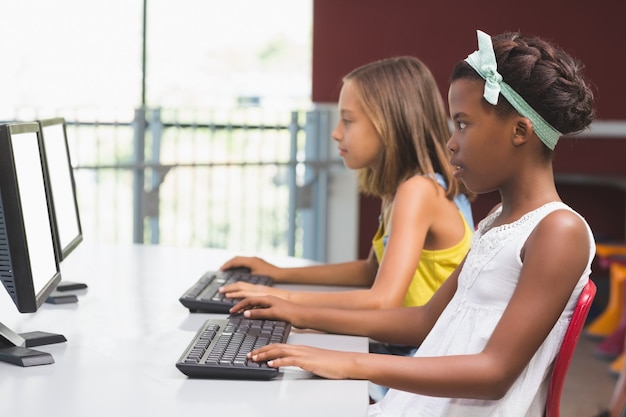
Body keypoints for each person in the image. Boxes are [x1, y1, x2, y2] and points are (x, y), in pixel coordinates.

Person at [229, 29, 596, 416]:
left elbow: (495, 372)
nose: (452, 142)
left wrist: (349, 363)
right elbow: (423, 321)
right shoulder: (498, 222)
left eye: (463, 124)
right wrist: (295, 315)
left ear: (520, 131)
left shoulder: (559, 231)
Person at [219, 56, 474, 312]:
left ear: (389, 124)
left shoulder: (419, 191)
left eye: (348, 120)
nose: (336, 132)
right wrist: (276, 273)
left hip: (417, 351)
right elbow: (370, 271)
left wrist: (280, 297)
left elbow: (382, 301)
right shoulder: (403, 188)